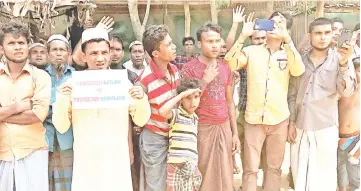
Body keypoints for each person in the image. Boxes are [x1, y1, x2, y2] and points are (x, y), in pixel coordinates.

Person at [52, 27, 151, 191]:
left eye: (104, 53)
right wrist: (62, 100)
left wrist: (141, 99)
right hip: (86, 160)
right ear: (83, 56)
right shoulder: (71, 86)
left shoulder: (122, 83)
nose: (100, 58)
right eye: (93, 53)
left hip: (116, 159)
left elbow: (140, 119)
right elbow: (61, 126)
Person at [225, 10, 304, 191]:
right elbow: (229, 63)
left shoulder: (289, 53)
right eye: (271, 23)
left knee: (274, 168)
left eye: (280, 24)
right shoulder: (251, 51)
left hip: (279, 120)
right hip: (254, 120)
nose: (274, 27)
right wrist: (242, 36)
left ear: (286, 29)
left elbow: (298, 70)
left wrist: (288, 40)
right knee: (250, 169)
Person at [287, 17, 356, 191]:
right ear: (310, 35)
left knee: (324, 179)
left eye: (327, 33)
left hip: (325, 127)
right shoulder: (300, 61)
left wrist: (343, 64)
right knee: (299, 174)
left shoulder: (341, 60)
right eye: (318, 33)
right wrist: (291, 122)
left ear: (333, 35)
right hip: (301, 126)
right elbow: (292, 93)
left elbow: (347, 91)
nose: (322, 37)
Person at [181, 23, 240, 191]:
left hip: (224, 128)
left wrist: (234, 133)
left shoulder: (225, 68)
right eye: (209, 41)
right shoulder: (189, 69)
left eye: (217, 41)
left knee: (225, 174)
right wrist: (205, 80)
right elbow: (186, 104)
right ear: (199, 44)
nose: (215, 45)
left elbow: (229, 102)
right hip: (201, 129)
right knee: (203, 175)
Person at [0, 22, 51, 191]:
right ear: (1, 49)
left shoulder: (40, 76)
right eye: (11, 43)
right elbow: (29, 112)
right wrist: (18, 107)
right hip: (2, 152)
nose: (17, 47)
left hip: (32, 151)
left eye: (21, 43)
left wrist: (3, 113)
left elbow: (38, 115)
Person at [136, 24, 180, 191]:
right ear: (155, 54)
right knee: (156, 186)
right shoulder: (144, 80)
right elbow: (137, 111)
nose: (174, 47)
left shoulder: (174, 69)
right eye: (168, 44)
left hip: (174, 136)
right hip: (154, 139)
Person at [159, 78, 202, 191]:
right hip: (176, 166)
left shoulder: (195, 118)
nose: (193, 102)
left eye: (196, 97)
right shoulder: (176, 114)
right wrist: (181, 95)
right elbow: (162, 111)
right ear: (181, 100)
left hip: (191, 166)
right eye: (188, 98)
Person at [43, 34, 75, 191]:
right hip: (43, 139)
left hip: (68, 138)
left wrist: (49, 100)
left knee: (66, 184)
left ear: (68, 53)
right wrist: (60, 95)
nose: (58, 53)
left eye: (62, 50)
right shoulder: (39, 76)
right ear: (48, 54)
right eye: (54, 50)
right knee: (43, 182)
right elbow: (36, 104)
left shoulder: (77, 76)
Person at [337, 56, 360, 191]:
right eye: (359, 71)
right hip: (340, 137)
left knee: (354, 169)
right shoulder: (344, 91)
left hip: (356, 138)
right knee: (341, 171)